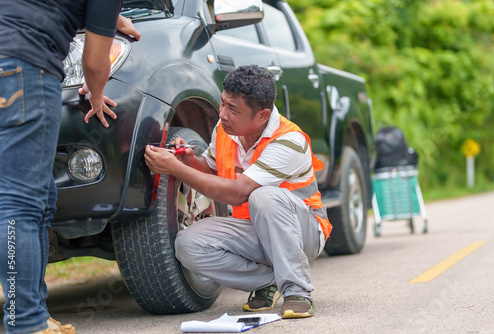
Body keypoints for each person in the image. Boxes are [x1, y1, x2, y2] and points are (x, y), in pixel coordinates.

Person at [144, 65, 332, 319]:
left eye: (233, 109)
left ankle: (297, 292)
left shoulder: (288, 140)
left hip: (303, 232)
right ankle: (270, 280)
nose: (222, 114)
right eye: (222, 103)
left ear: (263, 115)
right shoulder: (224, 130)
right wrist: (188, 160)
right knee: (188, 246)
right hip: (254, 231)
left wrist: (175, 169)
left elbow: (236, 193)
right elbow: (210, 173)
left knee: (263, 196)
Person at [0, 2, 139, 333]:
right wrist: (96, 93)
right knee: (20, 202)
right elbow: (93, 63)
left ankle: (34, 313)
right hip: (24, 69)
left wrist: (109, 16)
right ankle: (26, 321)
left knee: (42, 197)